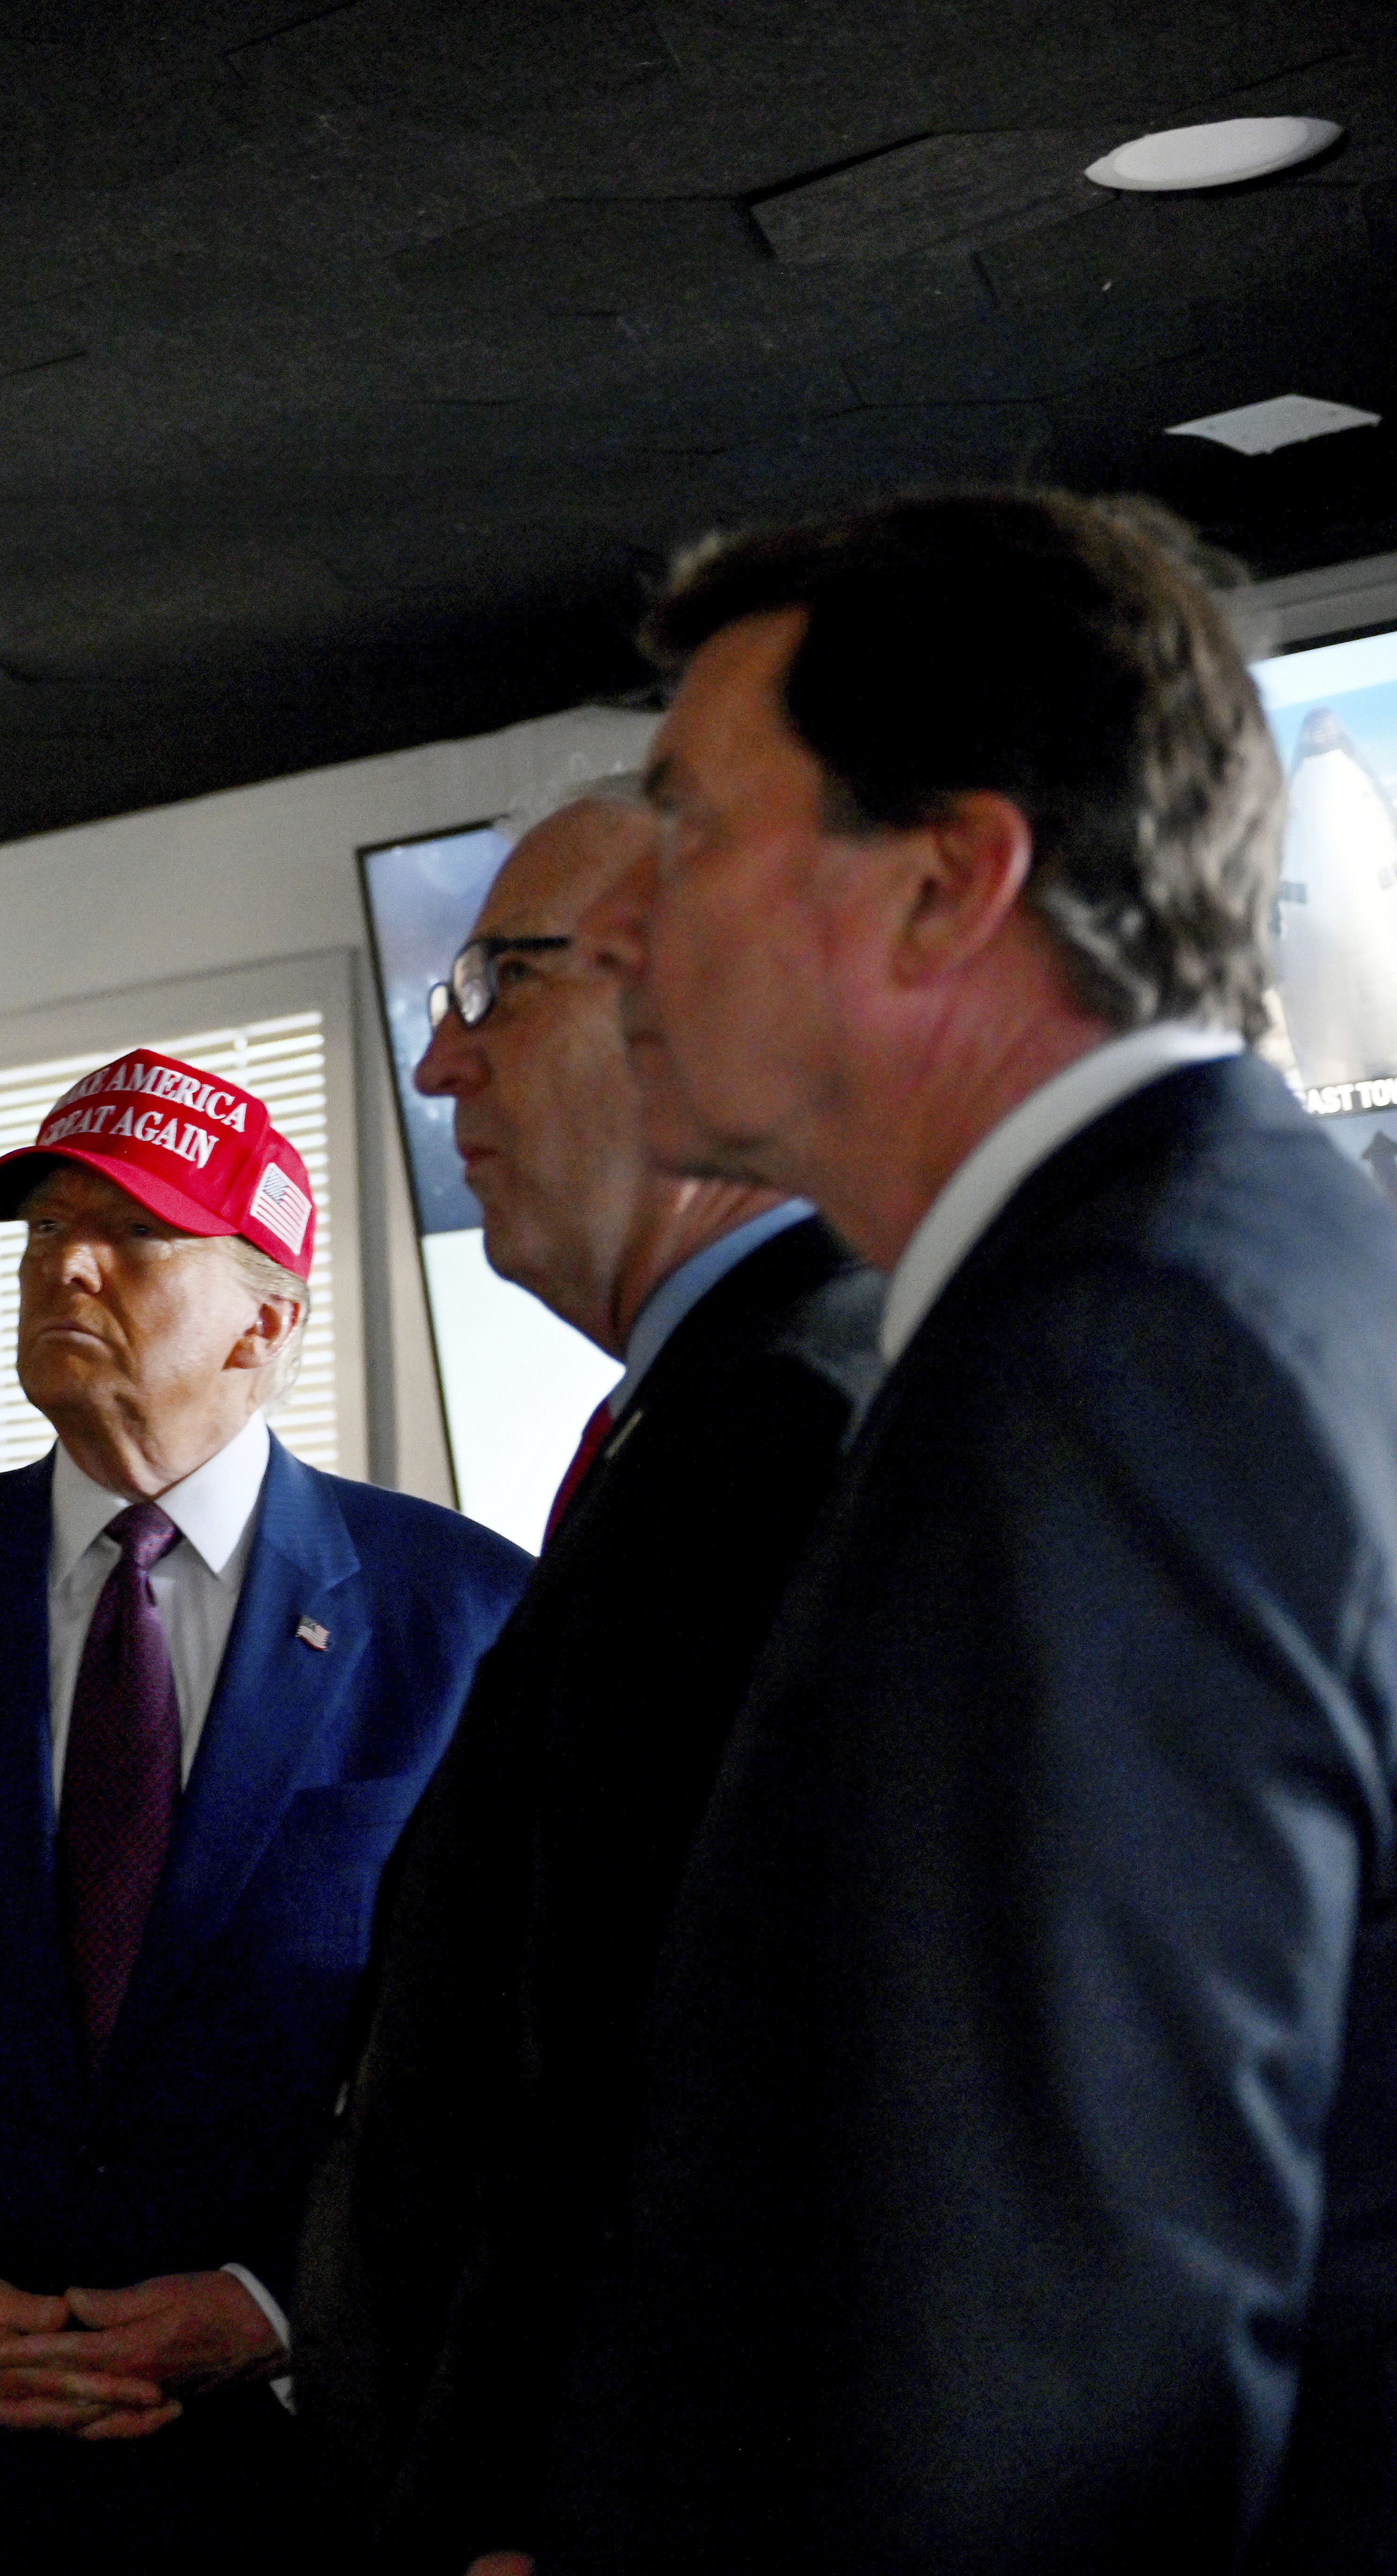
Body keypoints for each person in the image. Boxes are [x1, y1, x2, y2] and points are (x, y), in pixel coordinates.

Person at [543, 490, 1397, 2569]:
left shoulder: (1105, 1371)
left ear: (945, 883)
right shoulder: (1240, 1269)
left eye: (688, 825)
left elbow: (1040, 2360)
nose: (622, 927)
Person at [0, 1050, 530, 2573]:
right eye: (42, 1230)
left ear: (265, 1321)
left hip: (276, 2468)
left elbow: (504, 2038)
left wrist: (277, 2299)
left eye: (134, 1234)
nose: (63, 1267)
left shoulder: (462, 1611)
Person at [284, 783, 883, 2574]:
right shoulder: (705, 1408)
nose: (438, 1067)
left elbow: (655, 2057)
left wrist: (512, 2501)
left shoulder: (775, 1419)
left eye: (500, 985)